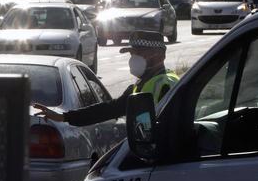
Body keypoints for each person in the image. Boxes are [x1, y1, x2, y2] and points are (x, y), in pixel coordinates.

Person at [34, 30, 179, 127]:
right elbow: (109, 109)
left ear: (159, 56)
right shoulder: (141, 85)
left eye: (140, 53)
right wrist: (65, 117)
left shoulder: (165, 85)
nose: (133, 58)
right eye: (132, 53)